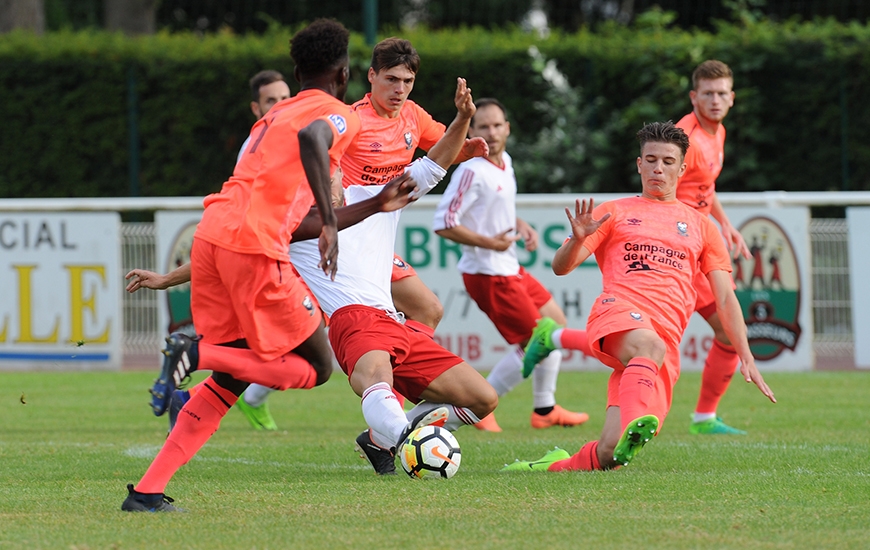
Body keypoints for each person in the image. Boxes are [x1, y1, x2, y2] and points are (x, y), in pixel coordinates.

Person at [120, 19, 396, 511]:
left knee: (231, 380)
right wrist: (332, 221)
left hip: (212, 236)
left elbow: (283, 203)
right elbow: (315, 140)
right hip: (253, 247)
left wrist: (372, 205)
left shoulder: (269, 119)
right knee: (316, 366)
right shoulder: (337, 113)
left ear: (297, 70)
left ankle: (147, 491)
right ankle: (194, 354)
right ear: (344, 72)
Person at [235, 37, 488, 424]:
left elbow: (443, 156)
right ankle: (252, 387)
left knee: (427, 309)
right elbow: (314, 151)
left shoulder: (413, 118)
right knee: (300, 327)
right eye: (391, 79)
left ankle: (393, 387)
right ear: (370, 77)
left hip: (377, 226)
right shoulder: (349, 119)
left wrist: (468, 137)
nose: (399, 89)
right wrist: (331, 192)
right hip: (336, 228)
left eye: (407, 81)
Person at [502, 121, 775, 473]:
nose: (658, 168)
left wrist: (746, 355)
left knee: (611, 454)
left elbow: (725, 299)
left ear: (682, 168)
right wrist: (575, 240)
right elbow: (560, 267)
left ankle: (550, 466)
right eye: (650, 160)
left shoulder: (703, 226)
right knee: (649, 346)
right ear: (639, 164)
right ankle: (637, 417)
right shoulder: (614, 211)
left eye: (666, 161)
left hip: (662, 346)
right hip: (618, 315)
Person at [292, 77, 499, 476]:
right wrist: (169, 278)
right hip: (354, 320)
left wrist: (463, 118)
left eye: (335, 169)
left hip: (396, 323)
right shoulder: (298, 224)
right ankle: (408, 442)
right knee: (375, 383)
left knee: (483, 399)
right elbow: (233, 248)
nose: (333, 176)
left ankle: (384, 438)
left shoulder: (374, 198)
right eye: (327, 171)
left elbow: (435, 166)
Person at [432, 98, 588, 432]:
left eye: (496, 125)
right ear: (472, 131)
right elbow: (443, 222)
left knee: (556, 325)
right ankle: (481, 407)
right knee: (540, 343)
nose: (491, 131)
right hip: (486, 272)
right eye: (483, 126)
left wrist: (521, 224)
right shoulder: (471, 170)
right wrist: (491, 243)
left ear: (507, 128)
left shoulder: (506, 163)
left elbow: (496, 206)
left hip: (508, 265)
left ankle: (544, 409)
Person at [675, 60, 752, 435]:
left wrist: (724, 223)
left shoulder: (716, 132)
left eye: (722, 93)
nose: (716, 99)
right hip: (678, 251)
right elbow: (661, 191)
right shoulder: (684, 138)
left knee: (729, 331)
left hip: (701, 246)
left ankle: (704, 417)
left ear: (732, 98)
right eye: (708, 93)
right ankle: (556, 337)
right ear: (694, 96)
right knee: (650, 340)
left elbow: (704, 189)